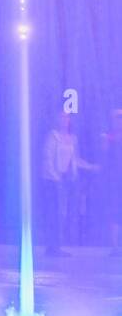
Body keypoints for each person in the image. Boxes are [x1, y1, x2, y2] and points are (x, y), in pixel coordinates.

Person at [41, 112, 98, 256]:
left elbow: (75, 159)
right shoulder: (53, 136)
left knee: (63, 212)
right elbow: (47, 158)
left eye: (66, 117)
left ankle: (57, 245)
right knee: (53, 212)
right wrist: (55, 177)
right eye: (61, 117)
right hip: (52, 180)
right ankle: (51, 246)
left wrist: (91, 166)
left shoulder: (73, 139)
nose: (64, 120)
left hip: (66, 179)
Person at [102, 109, 122, 256]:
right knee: (115, 213)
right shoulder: (109, 138)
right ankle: (115, 247)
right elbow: (105, 155)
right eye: (116, 119)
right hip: (114, 180)